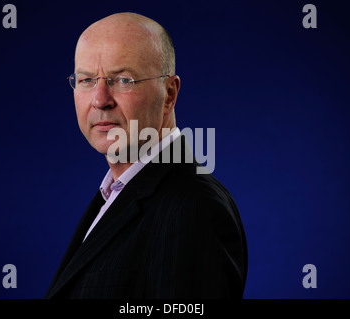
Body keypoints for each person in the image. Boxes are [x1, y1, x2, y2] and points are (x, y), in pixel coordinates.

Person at [45, 12, 247, 299]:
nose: (100, 99)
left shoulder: (193, 208)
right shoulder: (115, 193)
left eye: (124, 80)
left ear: (169, 94)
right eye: (87, 79)